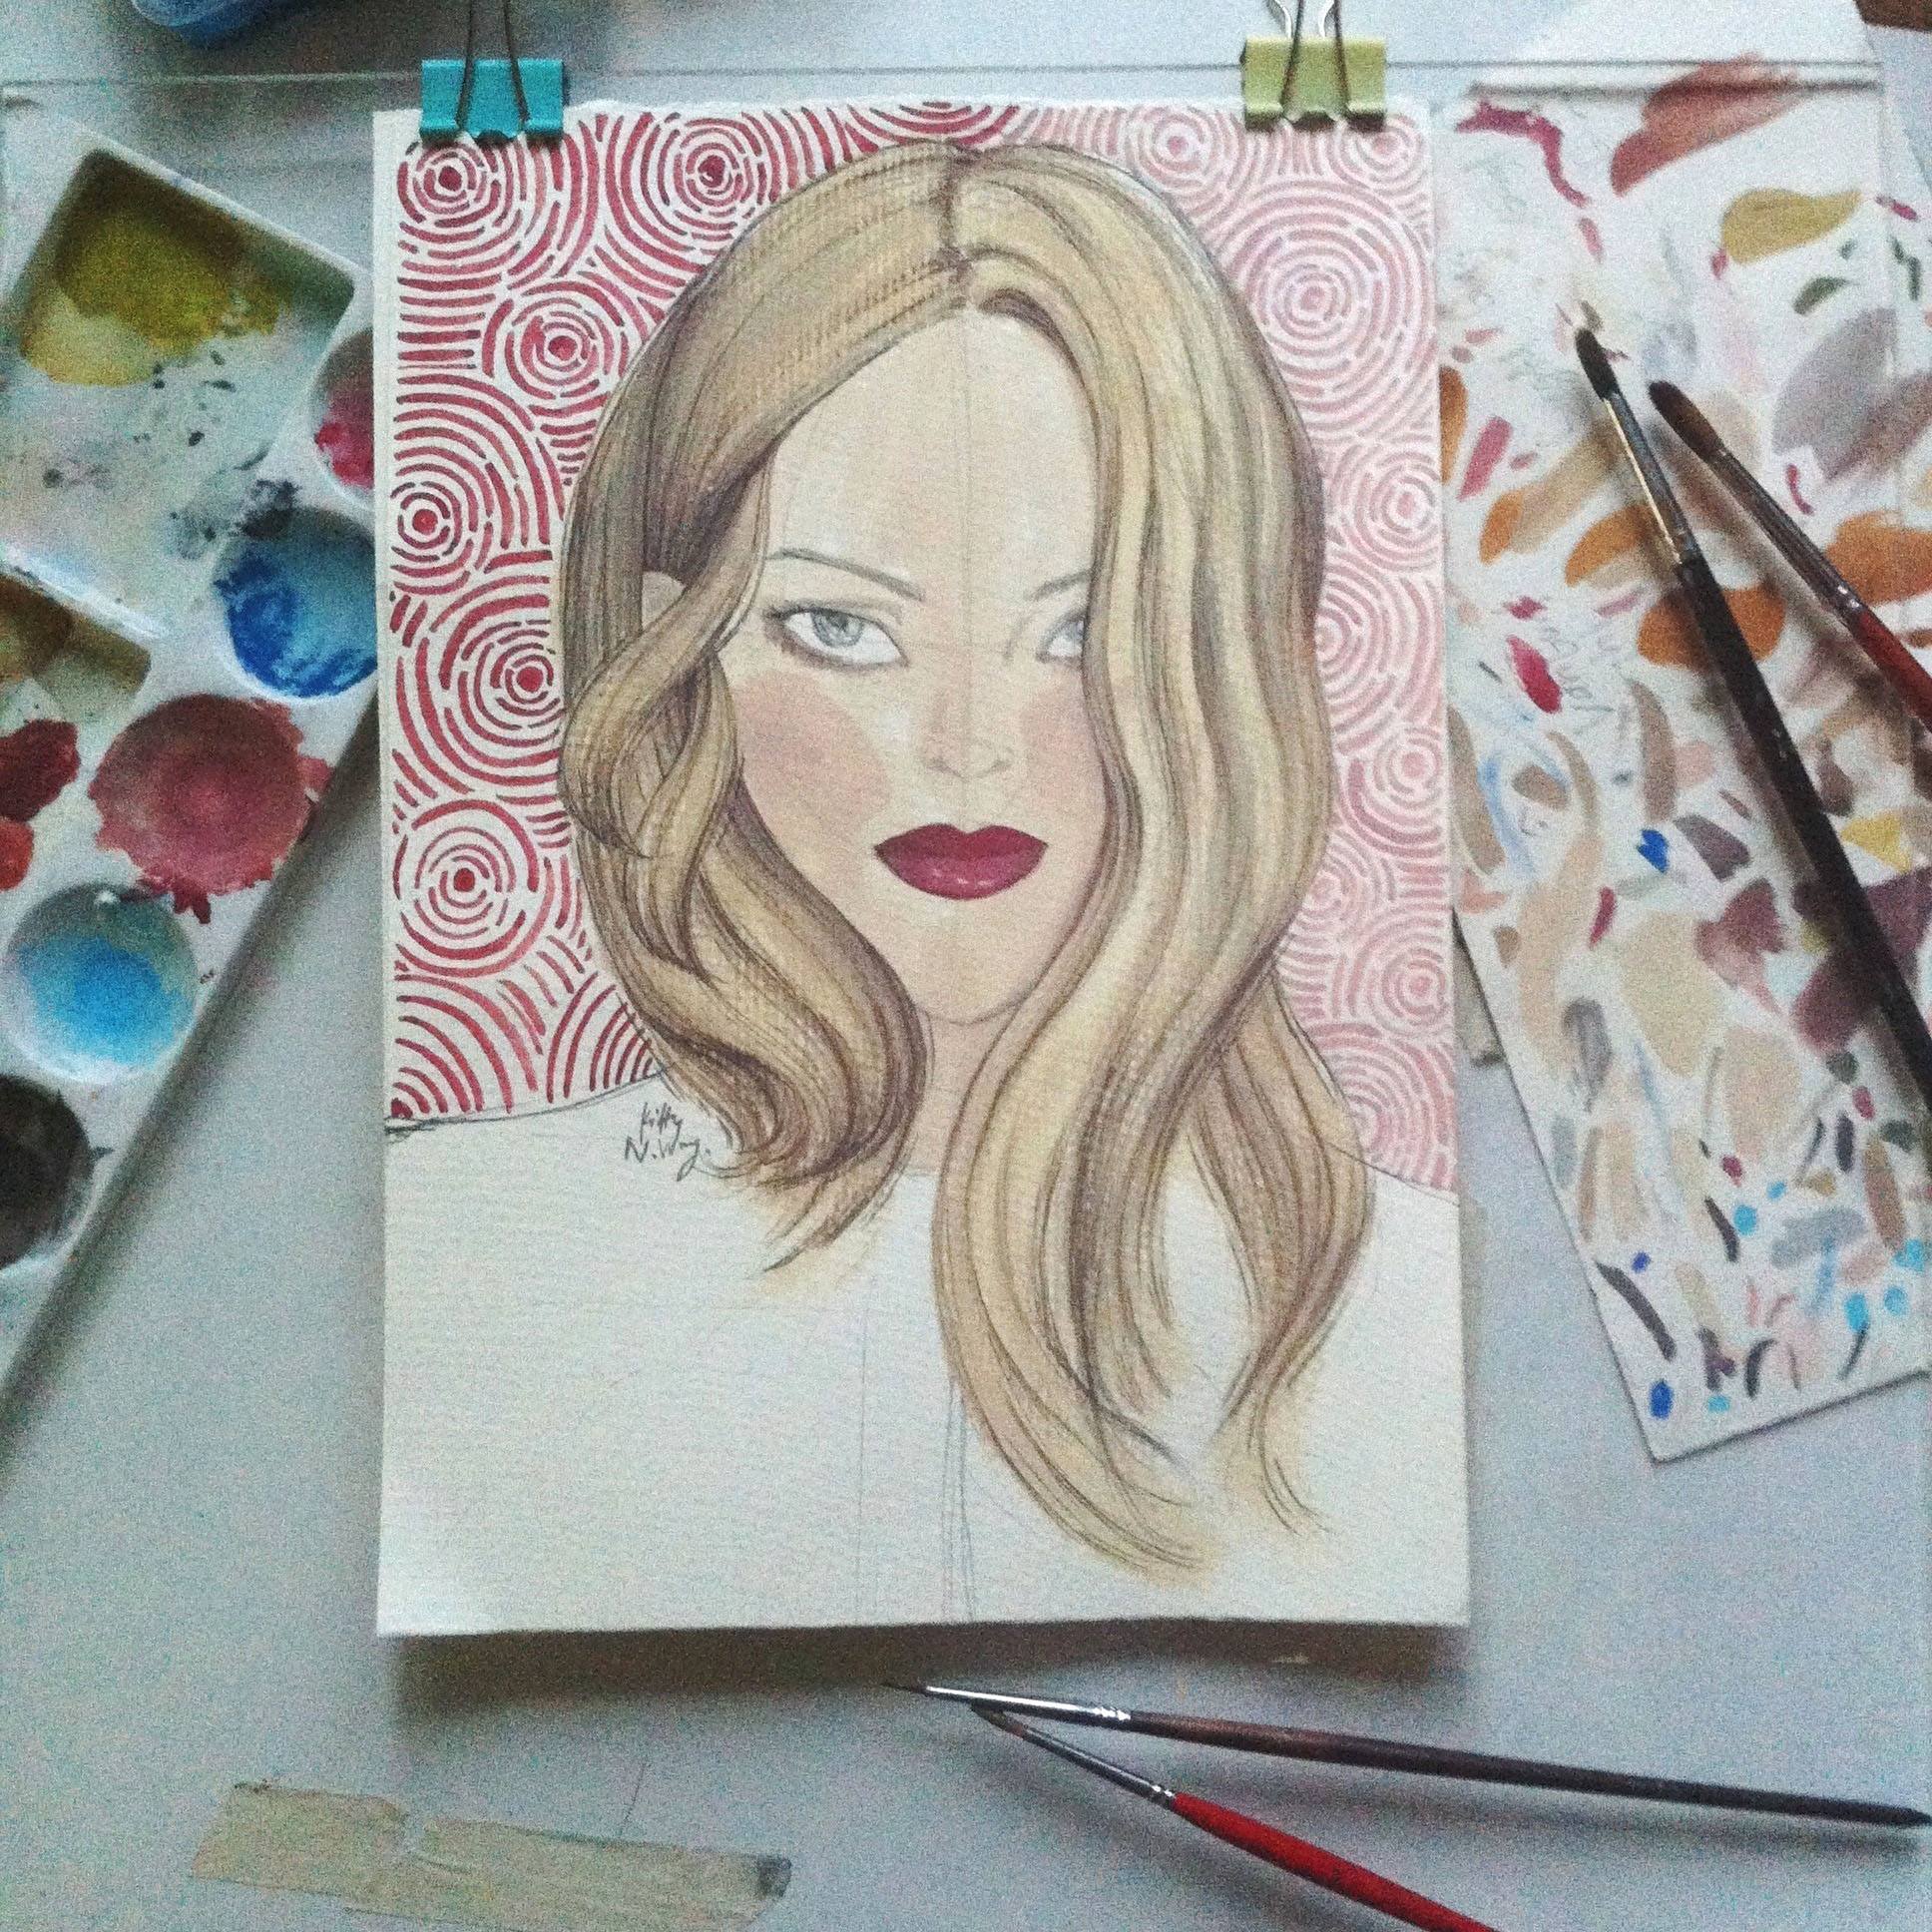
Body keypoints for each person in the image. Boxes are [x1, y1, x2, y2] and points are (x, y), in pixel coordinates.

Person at [381, 141, 1461, 1630]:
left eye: (1082, 631)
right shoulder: (474, 1243)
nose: (966, 750)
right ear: (673, 650)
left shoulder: (1393, 1299)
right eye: (839, 627)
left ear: (1228, 662)